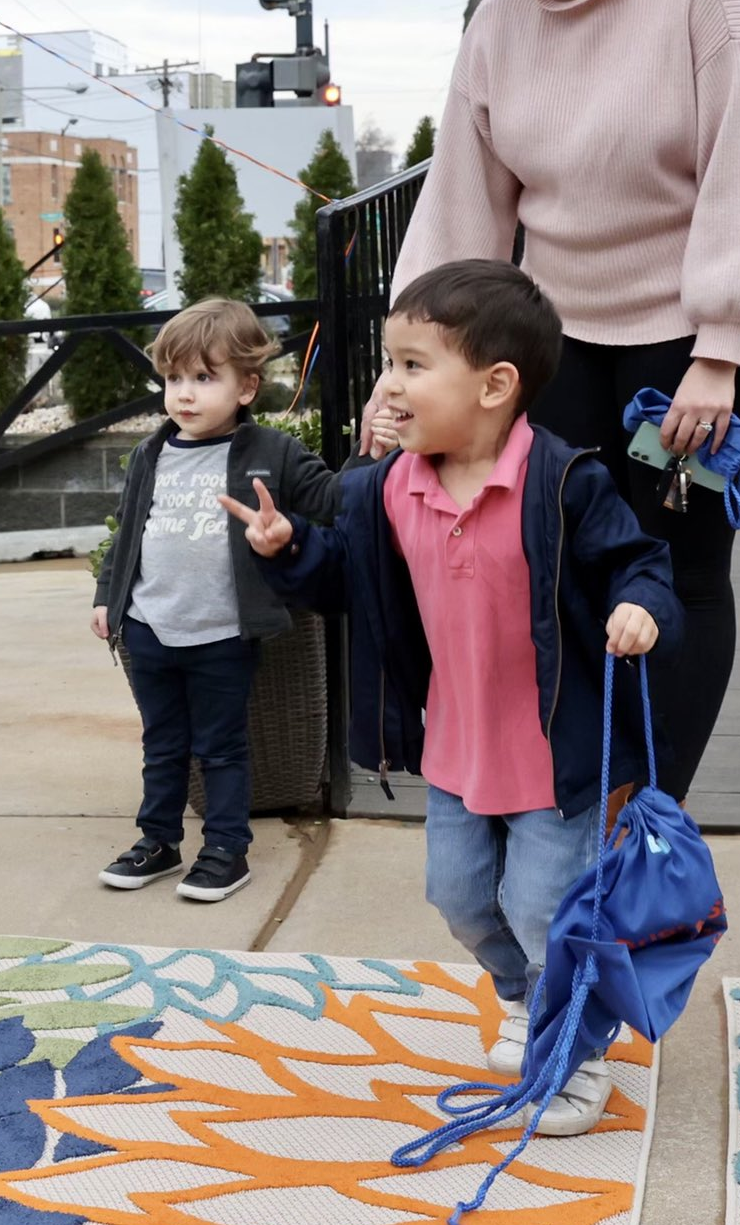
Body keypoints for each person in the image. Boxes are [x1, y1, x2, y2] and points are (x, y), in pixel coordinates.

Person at [380, 0, 740, 799]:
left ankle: (643, 810)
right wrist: (410, 366)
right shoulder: (499, 22)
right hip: (559, 335)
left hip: (696, 339)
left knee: (678, 566)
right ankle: (581, 778)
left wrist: (718, 349)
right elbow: (464, 202)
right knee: (563, 554)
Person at [230, 260, 681, 1135]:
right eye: (387, 362)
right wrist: (287, 548)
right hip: (456, 747)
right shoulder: (386, 488)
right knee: (461, 896)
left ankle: (575, 1050)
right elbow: (344, 581)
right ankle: (529, 1001)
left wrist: (639, 605)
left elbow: (641, 563)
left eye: (410, 364)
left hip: (556, 754)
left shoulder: (563, 483)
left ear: (494, 386)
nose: (387, 386)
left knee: (545, 910)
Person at [90, 300, 344, 903]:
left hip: (222, 635)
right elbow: (128, 531)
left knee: (221, 748)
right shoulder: (151, 454)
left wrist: (375, 453)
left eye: (204, 379)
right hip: (151, 627)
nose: (184, 394)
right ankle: (158, 841)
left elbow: (336, 497)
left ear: (247, 386)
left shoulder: (271, 453)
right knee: (162, 745)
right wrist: (109, 597)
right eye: (174, 379)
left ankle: (227, 850)